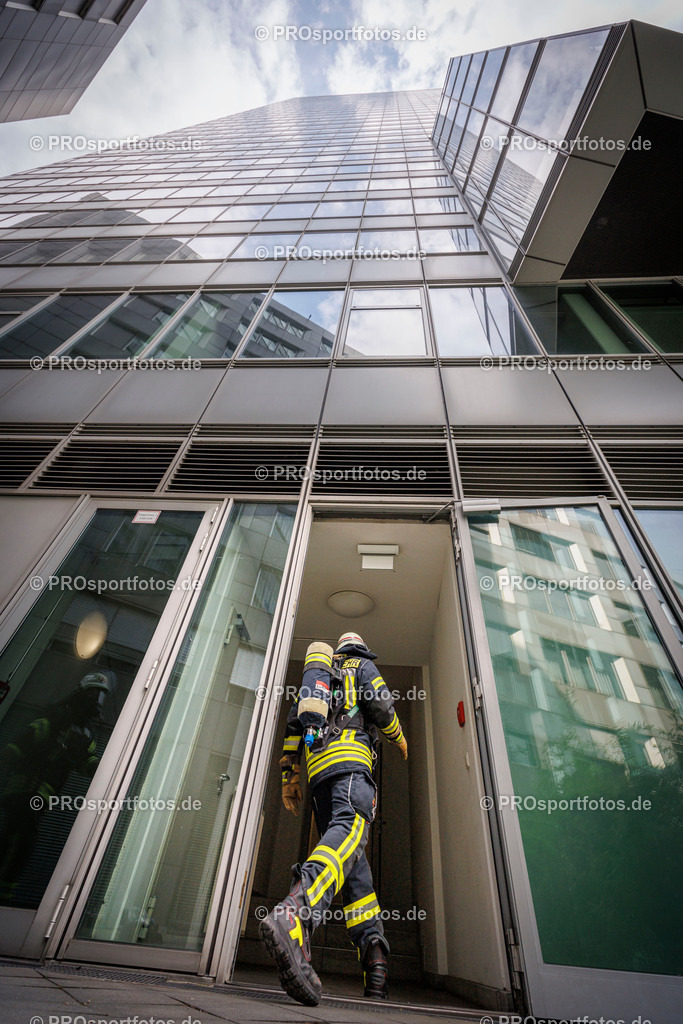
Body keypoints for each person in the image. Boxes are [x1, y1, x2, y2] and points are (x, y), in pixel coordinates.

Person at [259, 632, 407, 1006]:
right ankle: (297, 914)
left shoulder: (318, 680)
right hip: (352, 766)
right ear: (358, 648)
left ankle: (374, 957)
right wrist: (400, 737)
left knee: (348, 859)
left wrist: (288, 778)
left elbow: (295, 728)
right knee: (351, 832)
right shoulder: (361, 665)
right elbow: (383, 707)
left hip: (319, 773)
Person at [0, 671, 116, 900]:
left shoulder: (86, 731)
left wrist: (109, 773)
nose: (96, 701)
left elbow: (84, 760)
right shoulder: (58, 715)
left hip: (44, 793)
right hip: (26, 786)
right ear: (81, 693)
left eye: (101, 696)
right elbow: (27, 738)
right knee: (21, 837)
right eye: (93, 694)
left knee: (21, 837)